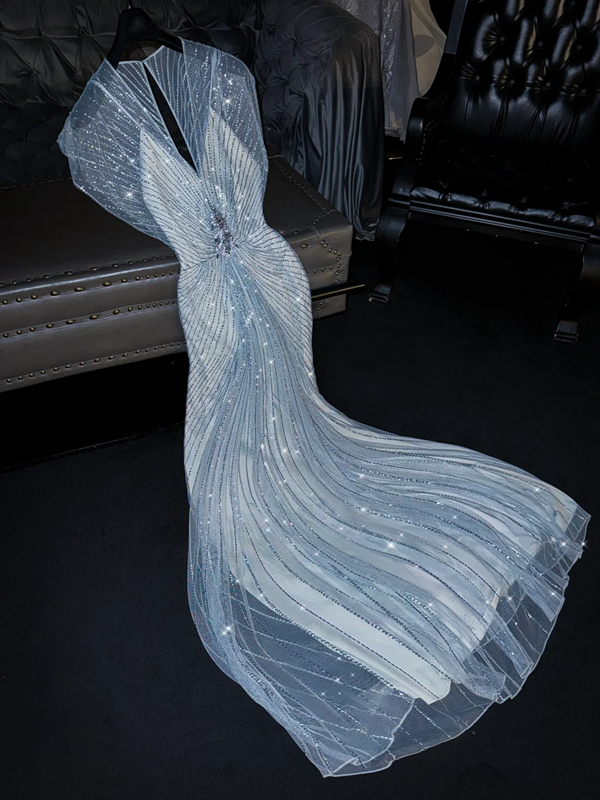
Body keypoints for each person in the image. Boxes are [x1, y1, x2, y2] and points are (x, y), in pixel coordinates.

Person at [57, 38, 589, 777]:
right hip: (213, 285)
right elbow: (122, 182)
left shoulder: (217, 76)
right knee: (230, 415)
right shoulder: (115, 118)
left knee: (294, 407)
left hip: (265, 264)